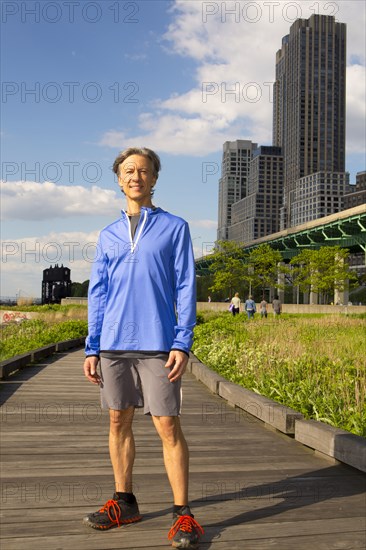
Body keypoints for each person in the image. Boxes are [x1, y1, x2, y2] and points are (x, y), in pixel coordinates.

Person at [82, 147, 204, 549]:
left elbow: (186, 285)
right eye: (129, 170)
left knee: (167, 426)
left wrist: (182, 340)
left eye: (144, 171)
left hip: (157, 344)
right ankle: (124, 502)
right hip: (114, 344)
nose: (136, 176)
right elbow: (98, 293)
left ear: (154, 179)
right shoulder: (108, 235)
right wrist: (92, 346)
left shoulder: (175, 227)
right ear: (119, 179)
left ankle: (183, 515)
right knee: (118, 422)